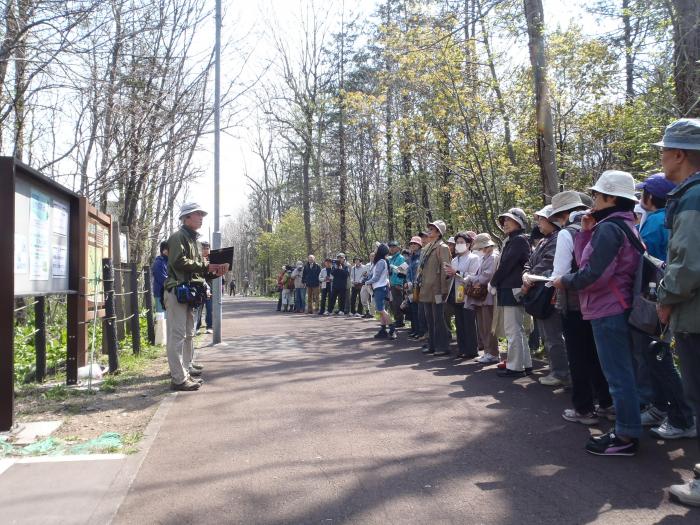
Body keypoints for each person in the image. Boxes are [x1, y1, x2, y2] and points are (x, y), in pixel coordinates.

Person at [553, 170, 642, 456]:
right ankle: (626, 429)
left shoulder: (610, 228)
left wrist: (565, 281)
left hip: (608, 307)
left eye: (597, 195)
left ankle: (626, 436)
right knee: (620, 372)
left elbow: (594, 274)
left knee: (618, 374)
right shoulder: (624, 224)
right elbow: (588, 261)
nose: (593, 200)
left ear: (611, 197)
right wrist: (587, 232)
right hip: (618, 304)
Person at [652, 119, 700, 505]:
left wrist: (665, 299)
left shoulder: (692, 197)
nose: (662, 158)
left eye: (665, 150)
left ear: (680, 155)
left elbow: (687, 264)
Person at [631, 173, 694, 440]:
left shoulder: (656, 222)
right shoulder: (660, 219)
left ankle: (681, 415)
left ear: (651, 197)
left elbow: (651, 260)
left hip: (655, 296)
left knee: (657, 355)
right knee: (653, 354)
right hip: (657, 295)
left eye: (643, 192)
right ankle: (660, 408)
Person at [549, 191, 613, 426]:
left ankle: (584, 408)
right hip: (600, 301)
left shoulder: (566, 234)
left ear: (562, 214)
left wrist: (554, 282)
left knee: (577, 355)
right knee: (597, 355)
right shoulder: (600, 227)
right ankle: (606, 402)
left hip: (575, 302)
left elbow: (560, 272)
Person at [164, 202, 228, 391]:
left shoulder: (194, 241)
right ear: (186, 217)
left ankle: (184, 371)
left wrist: (214, 271)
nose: (201, 217)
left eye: (202, 214)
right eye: (197, 214)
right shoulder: (177, 237)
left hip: (189, 293)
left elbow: (197, 269)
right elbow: (178, 261)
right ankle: (178, 379)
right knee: (177, 336)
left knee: (188, 334)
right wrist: (205, 266)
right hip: (177, 291)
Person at [522, 205, 570, 387]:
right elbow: (530, 261)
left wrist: (529, 276)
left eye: (541, 219)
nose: (538, 223)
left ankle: (560, 372)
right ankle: (556, 369)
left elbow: (548, 263)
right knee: (548, 335)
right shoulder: (544, 240)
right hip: (539, 291)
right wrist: (526, 274)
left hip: (549, 292)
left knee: (553, 335)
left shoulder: (558, 239)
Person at [490, 208, 532, 377]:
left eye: (510, 220)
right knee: (516, 329)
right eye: (504, 220)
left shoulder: (519, 241)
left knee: (512, 330)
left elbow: (506, 264)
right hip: (509, 288)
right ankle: (525, 364)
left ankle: (515, 367)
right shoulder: (513, 240)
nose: (505, 223)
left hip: (512, 288)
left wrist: (493, 282)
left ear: (519, 222)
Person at [418, 220, 452, 356]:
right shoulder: (427, 247)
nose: (429, 231)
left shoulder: (442, 247)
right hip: (426, 288)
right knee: (430, 319)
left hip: (437, 289)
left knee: (438, 318)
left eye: (432, 229)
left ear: (439, 232)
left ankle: (443, 346)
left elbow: (446, 270)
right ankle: (432, 345)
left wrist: (444, 290)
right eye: (430, 228)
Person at [445, 232, 480, 358]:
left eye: (461, 242)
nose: (458, 245)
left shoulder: (474, 258)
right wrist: (449, 274)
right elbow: (451, 276)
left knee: (469, 321)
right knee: (459, 322)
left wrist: (457, 272)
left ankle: (472, 349)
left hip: (467, 293)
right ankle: (462, 348)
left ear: (469, 244)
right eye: (457, 243)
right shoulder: (454, 259)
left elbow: (473, 276)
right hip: (455, 293)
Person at [466, 233, 499, 363]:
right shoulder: (486, 257)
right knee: (483, 326)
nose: (481, 250)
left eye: (481, 247)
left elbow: (486, 276)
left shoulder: (492, 257)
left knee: (488, 326)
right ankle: (487, 351)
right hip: (483, 296)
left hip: (488, 296)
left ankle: (493, 353)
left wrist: (471, 278)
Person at [365, 244, 394, 339]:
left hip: (380, 288)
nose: (375, 250)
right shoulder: (379, 262)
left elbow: (376, 277)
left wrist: (366, 282)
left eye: (376, 248)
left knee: (381, 309)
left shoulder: (381, 262)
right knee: (380, 310)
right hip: (379, 288)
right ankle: (383, 330)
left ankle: (392, 329)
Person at [406, 236, 426, 339]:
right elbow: (408, 271)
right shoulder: (411, 257)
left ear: (419, 245)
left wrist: (414, 282)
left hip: (418, 286)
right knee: (413, 309)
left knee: (419, 310)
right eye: (411, 244)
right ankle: (415, 329)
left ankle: (420, 331)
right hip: (411, 287)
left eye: (415, 244)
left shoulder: (421, 256)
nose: (412, 245)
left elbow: (420, 272)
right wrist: (408, 281)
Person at [387, 241, 406, 327]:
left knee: (398, 302)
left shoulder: (400, 258)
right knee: (393, 303)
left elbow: (402, 271)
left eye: (394, 246)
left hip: (397, 284)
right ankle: (397, 319)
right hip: (391, 283)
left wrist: (399, 283)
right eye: (390, 246)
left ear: (398, 248)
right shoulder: (391, 258)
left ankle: (400, 321)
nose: (391, 248)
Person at [195, 241, 213, 334]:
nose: (205, 250)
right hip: (200, 288)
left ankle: (209, 326)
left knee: (209, 308)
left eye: (207, 248)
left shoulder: (213, 260)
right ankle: (197, 327)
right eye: (203, 248)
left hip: (210, 287)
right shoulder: (197, 260)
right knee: (199, 308)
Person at [151, 241, 169, 315]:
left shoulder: (166, 261)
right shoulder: (159, 262)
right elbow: (162, 279)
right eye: (168, 249)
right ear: (164, 250)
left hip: (166, 292)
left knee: (166, 316)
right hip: (160, 293)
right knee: (161, 316)